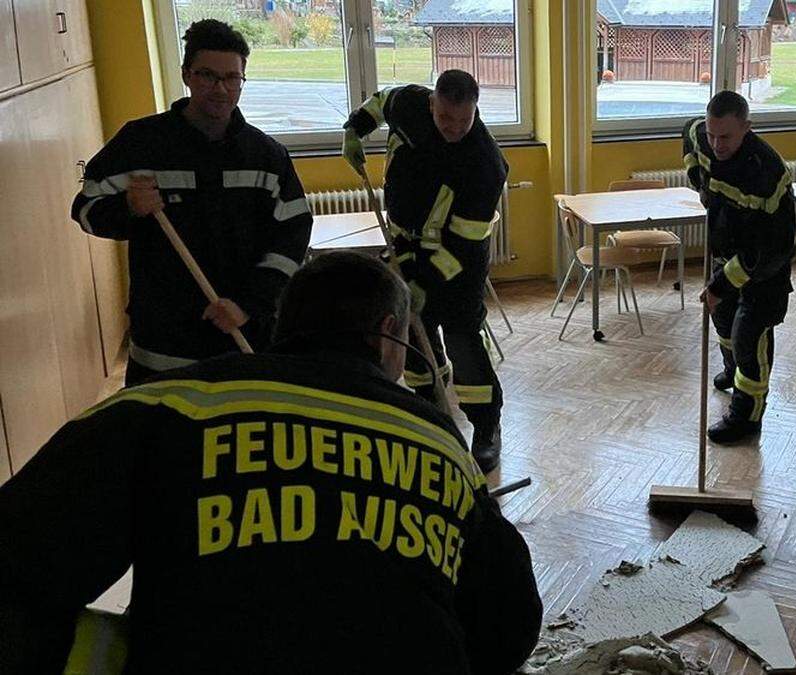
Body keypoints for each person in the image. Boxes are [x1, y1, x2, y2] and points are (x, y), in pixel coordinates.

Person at [0, 251, 543, 674]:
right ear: (388, 334)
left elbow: (19, 558)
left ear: (284, 324)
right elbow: (511, 628)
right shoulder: (440, 444)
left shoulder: (160, 410)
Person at [70, 19, 312, 386]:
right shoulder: (141, 144)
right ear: (186, 75)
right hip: (164, 346)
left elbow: (292, 237)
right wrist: (129, 209)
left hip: (244, 338)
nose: (221, 89)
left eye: (232, 78)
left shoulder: (265, 156)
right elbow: (85, 210)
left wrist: (248, 305)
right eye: (207, 76)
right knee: (161, 438)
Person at [342, 69, 507, 473]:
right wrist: (354, 129)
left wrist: (423, 279)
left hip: (455, 263)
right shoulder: (411, 104)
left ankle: (486, 426)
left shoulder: (484, 166)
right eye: (445, 119)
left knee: (463, 338)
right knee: (414, 338)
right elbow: (380, 102)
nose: (453, 129)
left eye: (463, 121)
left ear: (475, 110)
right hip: (403, 243)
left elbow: (463, 248)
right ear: (431, 104)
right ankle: (432, 415)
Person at [682, 91, 796, 444]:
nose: (716, 143)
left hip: (765, 269)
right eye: (712, 134)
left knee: (749, 336)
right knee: (723, 320)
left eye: (726, 137)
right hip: (726, 250)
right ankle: (732, 371)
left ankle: (747, 416)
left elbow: (763, 253)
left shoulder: (766, 174)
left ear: (747, 127)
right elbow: (688, 135)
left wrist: (718, 286)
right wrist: (699, 181)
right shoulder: (703, 134)